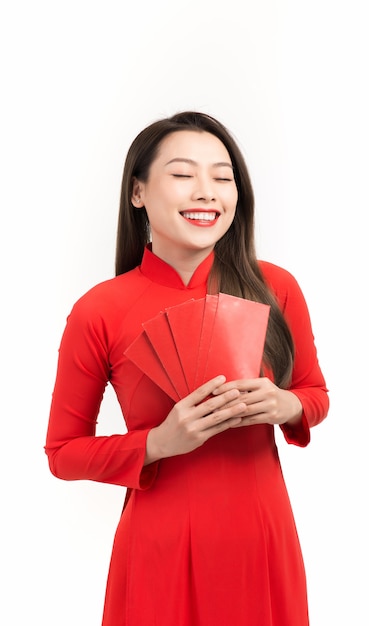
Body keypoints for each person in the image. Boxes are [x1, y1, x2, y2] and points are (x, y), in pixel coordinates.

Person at [45, 111, 329, 626]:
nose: (207, 192)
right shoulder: (100, 309)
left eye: (223, 177)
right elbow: (63, 454)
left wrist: (287, 405)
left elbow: (314, 393)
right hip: (160, 545)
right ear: (138, 192)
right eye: (182, 175)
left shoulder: (276, 288)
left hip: (261, 540)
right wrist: (158, 442)